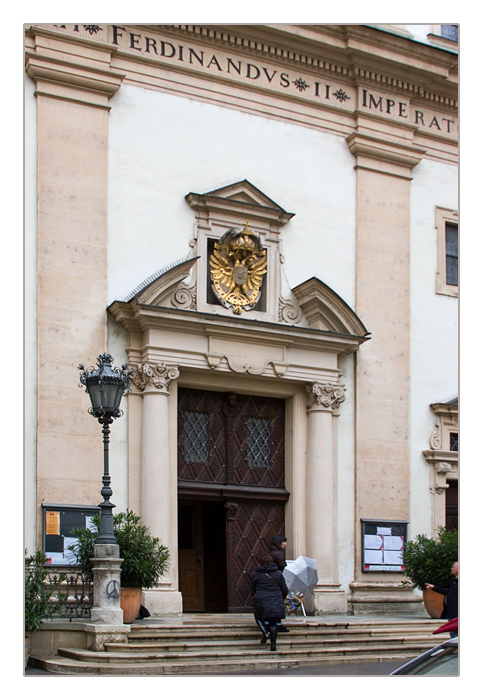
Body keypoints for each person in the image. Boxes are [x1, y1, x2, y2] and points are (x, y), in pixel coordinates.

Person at [251, 553, 289, 651]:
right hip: (275, 598)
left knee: (258, 617)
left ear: (260, 563)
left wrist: (256, 594)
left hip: (261, 598)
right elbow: (284, 588)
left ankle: (264, 632)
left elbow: (253, 587)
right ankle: (273, 644)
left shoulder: (256, 574)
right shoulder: (278, 573)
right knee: (274, 621)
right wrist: (282, 597)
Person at [425, 561, 458, 636]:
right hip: (452, 613)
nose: (451, 568)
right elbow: (449, 592)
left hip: (457, 614)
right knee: (453, 635)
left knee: (456, 636)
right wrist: (434, 587)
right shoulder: (454, 581)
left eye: (453, 567)